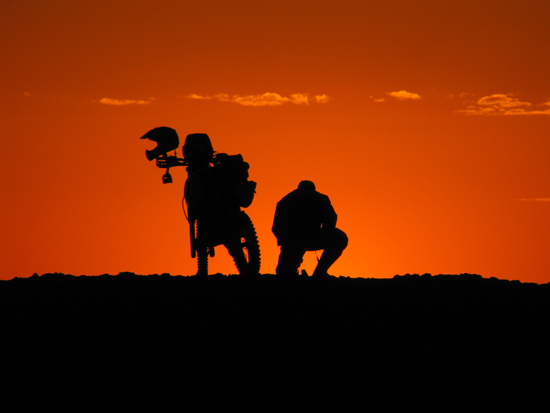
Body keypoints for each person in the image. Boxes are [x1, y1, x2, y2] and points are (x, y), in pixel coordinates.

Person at [272, 180, 348, 278]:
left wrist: (286, 243)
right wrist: (323, 234)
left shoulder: (284, 200)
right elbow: (331, 219)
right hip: (312, 237)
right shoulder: (321, 198)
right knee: (340, 237)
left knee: (284, 274)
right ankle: (320, 273)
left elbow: (275, 228)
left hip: (290, 240)